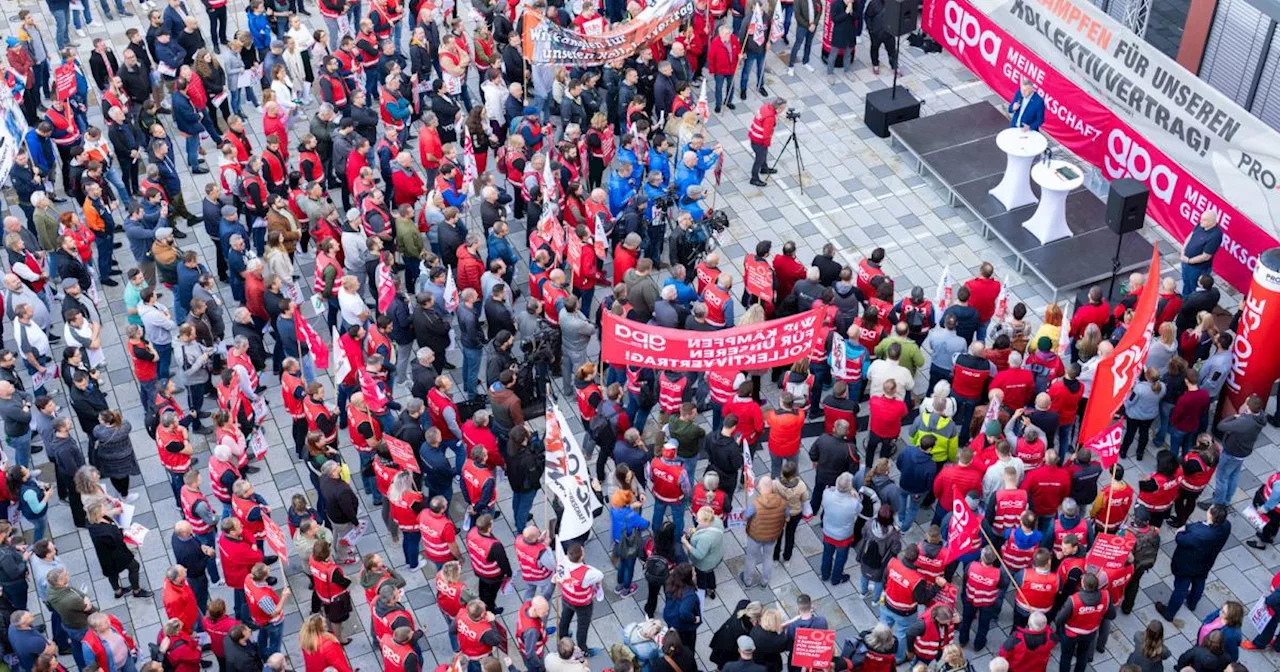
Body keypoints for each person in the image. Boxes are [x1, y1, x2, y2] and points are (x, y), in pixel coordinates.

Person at [1157, 503, 1230, 621]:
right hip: (1206, 562)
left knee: (1180, 589)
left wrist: (1181, 530)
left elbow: (1180, 539)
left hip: (1187, 565)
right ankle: (1192, 603)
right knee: (1199, 582)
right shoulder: (1226, 526)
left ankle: (1169, 613)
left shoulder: (1198, 533)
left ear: (1211, 515)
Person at [557, 543, 603, 657]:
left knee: (565, 618)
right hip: (582, 603)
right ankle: (583, 649)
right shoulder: (587, 573)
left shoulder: (562, 561)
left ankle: (563, 640)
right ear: (582, 556)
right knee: (582, 627)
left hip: (567, 597)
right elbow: (600, 575)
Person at [1180, 209, 1222, 296]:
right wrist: (1183, 251)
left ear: (1212, 222)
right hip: (1186, 261)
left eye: (1204, 220)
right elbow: (1190, 236)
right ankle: (1185, 299)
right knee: (1186, 282)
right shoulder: (1201, 225)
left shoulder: (1215, 235)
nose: (1200, 221)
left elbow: (1206, 256)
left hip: (1198, 268)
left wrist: (1189, 261)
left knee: (1194, 288)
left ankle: (1192, 304)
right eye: (1201, 219)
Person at [747, 98, 784, 187]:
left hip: (754, 136)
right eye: (783, 108)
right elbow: (766, 134)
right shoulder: (770, 118)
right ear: (779, 108)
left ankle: (764, 168)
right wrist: (767, 144)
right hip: (759, 140)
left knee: (763, 154)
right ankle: (754, 178)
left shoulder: (765, 107)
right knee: (759, 159)